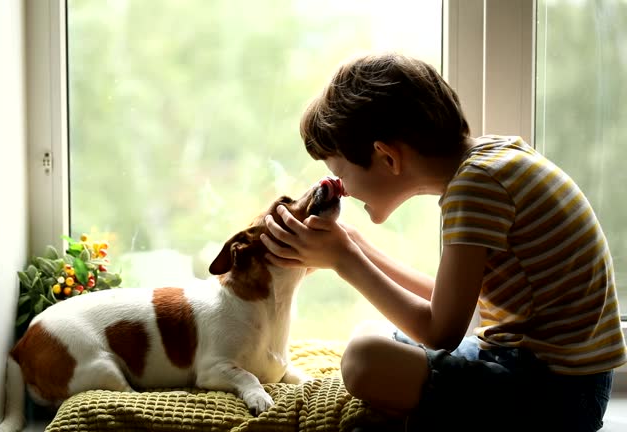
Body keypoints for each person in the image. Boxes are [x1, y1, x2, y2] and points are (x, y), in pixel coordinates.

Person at [260, 53, 626, 432]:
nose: (344, 190)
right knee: (375, 336)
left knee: (364, 359)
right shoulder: (492, 161)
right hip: (551, 373)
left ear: (387, 156)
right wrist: (356, 245)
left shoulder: (476, 188)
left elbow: (442, 332)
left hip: (557, 393)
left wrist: (345, 260)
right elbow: (450, 306)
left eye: (340, 172)